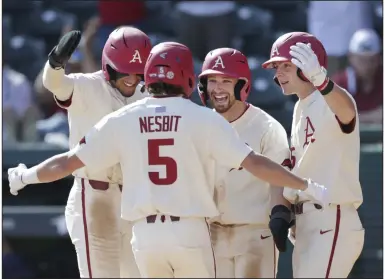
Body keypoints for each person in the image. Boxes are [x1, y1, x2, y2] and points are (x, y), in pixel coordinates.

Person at [8, 42, 327, 278]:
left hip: (146, 237)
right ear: (189, 78)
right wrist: (304, 184)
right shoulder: (203, 119)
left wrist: (25, 176)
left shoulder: (123, 118)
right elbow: (256, 163)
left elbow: (66, 163)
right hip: (191, 232)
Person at [38, 26, 152, 278]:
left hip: (133, 200)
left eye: (138, 72)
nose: (132, 78)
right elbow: (54, 83)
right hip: (94, 197)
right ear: (110, 66)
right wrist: (56, 62)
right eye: (125, 71)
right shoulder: (86, 85)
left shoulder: (147, 95)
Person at [262, 31, 364, 278]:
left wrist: (321, 79)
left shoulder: (329, 98)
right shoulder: (300, 106)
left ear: (307, 67)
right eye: (276, 67)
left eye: (286, 66)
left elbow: (347, 113)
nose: (278, 74)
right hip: (308, 222)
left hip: (331, 216)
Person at [197, 47, 293, 278]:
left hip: (254, 234)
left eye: (226, 81)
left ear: (242, 85)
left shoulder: (266, 127)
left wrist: (280, 213)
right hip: (210, 233)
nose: (218, 88)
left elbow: (279, 176)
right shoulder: (197, 125)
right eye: (212, 81)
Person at [333, 29, 383, 124]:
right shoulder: (340, 83)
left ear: (379, 59)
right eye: (361, 60)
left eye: (372, 60)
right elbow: (334, 117)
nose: (367, 66)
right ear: (351, 57)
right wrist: (371, 117)